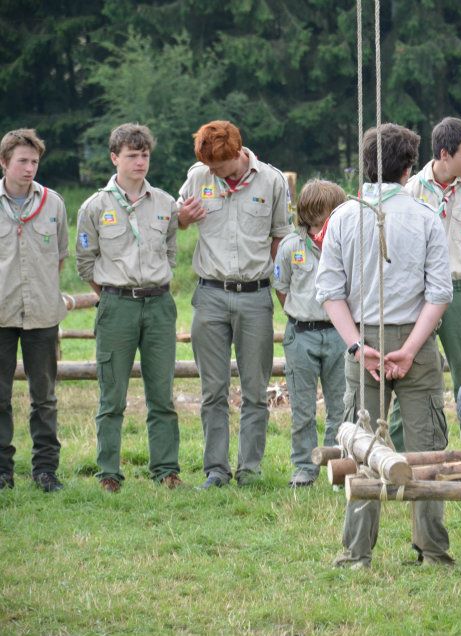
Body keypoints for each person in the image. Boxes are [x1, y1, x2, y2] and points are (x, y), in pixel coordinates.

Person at [318, 123, 454, 568]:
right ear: (408, 168)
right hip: (415, 342)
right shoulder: (424, 216)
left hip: (365, 340)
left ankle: (356, 553)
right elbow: (439, 295)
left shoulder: (341, 217)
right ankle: (432, 550)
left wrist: (358, 347)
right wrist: (412, 348)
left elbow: (330, 294)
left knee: (362, 446)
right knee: (426, 451)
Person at [177, 120, 293, 489]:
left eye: (220, 167)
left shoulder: (271, 181)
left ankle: (249, 469)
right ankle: (215, 469)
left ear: (238, 153)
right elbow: (176, 221)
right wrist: (182, 218)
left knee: (255, 390)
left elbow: (280, 242)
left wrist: (283, 297)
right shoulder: (198, 177)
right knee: (212, 390)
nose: (214, 172)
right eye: (209, 165)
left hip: (255, 295)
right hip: (209, 294)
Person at [76, 123, 181, 492]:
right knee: (112, 394)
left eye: (145, 155)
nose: (140, 162)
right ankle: (108, 474)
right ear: (114, 158)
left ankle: (166, 470)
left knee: (162, 394)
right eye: (132, 155)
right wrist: (109, 294)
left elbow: (170, 250)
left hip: (158, 303)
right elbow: (85, 262)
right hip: (116, 304)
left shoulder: (166, 203)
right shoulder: (94, 206)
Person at [388, 116, 461, 451]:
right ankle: (399, 451)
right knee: (409, 370)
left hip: (460, 290)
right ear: (444, 155)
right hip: (416, 295)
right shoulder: (410, 191)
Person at [0, 129, 68, 492]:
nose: (29, 169)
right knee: (0, 396)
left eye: (34, 162)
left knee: (44, 396)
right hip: (1, 314)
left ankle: (45, 470)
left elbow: (58, 257)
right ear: (4, 163)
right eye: (22, 161)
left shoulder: (53, 203)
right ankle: (2, 471)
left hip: (42, 314)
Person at [273, 179, 348, 487]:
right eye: (320, 217)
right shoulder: (291, 246)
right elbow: (282, 288)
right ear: (307, 214)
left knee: (339, 406)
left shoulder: (344, 243)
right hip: (301, 334)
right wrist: (300, 314)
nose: (324, 224)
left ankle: (335, 465)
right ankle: (304, 467)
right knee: (302, 408)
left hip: (337, 334)